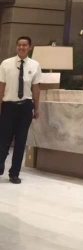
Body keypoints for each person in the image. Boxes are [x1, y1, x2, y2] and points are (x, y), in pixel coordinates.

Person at [0, 36, 42, 184]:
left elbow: (36, 89)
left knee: (20, 141)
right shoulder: (6, 64)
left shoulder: (35, 65)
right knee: (4, 139)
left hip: (25, 107)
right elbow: (1, 87)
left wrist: (36, 108)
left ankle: (14, 173)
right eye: (19, 45)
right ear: (16, 47)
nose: (21, 47)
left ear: (29, 47)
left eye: (24, 45)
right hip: (8, 106)